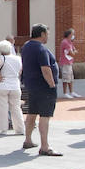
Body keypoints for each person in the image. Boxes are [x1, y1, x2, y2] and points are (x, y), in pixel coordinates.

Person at [21, 24, 62, 157]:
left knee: (32, 113)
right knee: (45, 116)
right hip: (44, 87)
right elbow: (46, 69)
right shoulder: (41, 49)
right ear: (43, 34)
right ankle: (45, 146)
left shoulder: (26, 46)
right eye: (47, 33)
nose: (48, 36)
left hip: (32, 86)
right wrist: (52, 85)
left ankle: (28, 140)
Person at [0, 40, 23, 135]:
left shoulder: (2, 57)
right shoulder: (18, 58)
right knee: (16, 107)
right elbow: (20, 71)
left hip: (3, 85)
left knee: (2, 108)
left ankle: (3, 129)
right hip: (15, 85)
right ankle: (20, 129)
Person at [58, 29, 77, 98]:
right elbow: (71, 53)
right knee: (66, 78)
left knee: (71, 78)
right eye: (72, 34)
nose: (73, 36)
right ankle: (65, 92)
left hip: (69, 62)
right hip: (65, 62)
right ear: (69, 35)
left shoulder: (70, 42)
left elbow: (74, 50)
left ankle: (71, 92)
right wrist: (73, 52)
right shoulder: (65, 42)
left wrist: (73, 52)